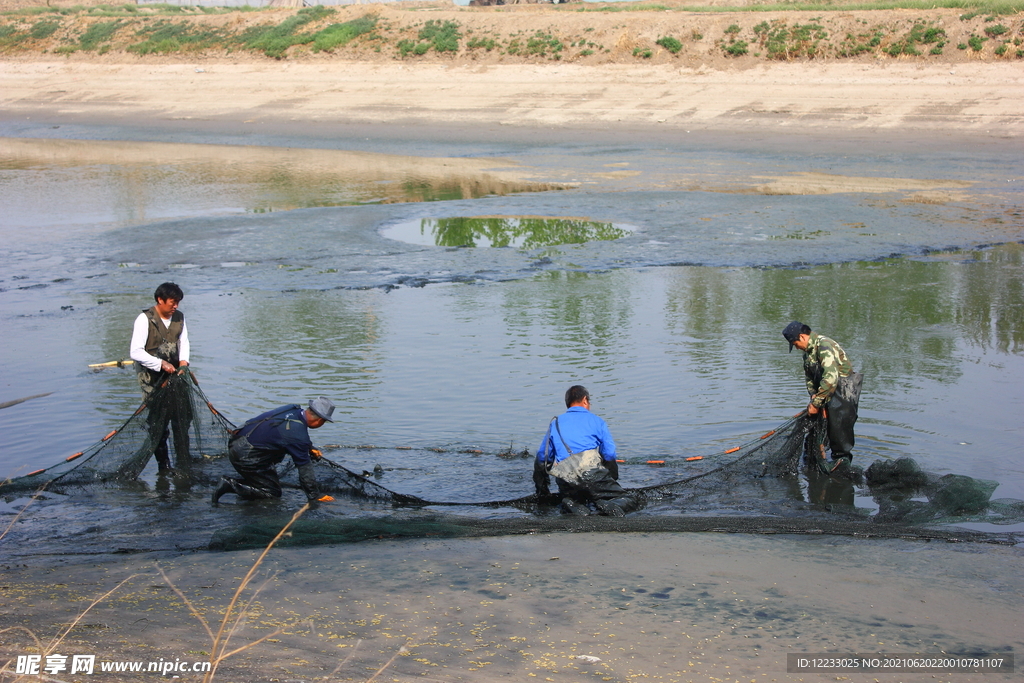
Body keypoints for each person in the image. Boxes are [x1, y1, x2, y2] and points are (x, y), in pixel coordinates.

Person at [533, 385, 637, 516]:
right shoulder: (597, 421)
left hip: (567, 480)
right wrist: (611, 479)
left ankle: (570, 503)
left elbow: (542, 458)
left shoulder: (556, 423)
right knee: (630, 500)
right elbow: (609, 454)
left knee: (574, 499)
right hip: (594, 476)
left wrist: (542, 491)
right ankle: (606, 503)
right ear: (585, 400)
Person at [212, 397, 337, 506]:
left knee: (267, 478)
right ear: (320, 420)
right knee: (272, 492)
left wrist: (310, 447)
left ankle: (248, 491)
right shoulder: (297, 435)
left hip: (238, 441)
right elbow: (305, 470)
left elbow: (289, 435)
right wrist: (315, 496)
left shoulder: (291, 409)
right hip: (246, 456)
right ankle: (229, 484)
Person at [782, 321, 864, 475]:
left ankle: (841, 470)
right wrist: (814, 397)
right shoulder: (807, 353)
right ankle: (815, 469)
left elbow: (831, 378)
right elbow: (810, 378)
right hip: (825, 394)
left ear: (802, 337)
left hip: (843, 392)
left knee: (839, 436)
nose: (797, 347)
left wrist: (816, 403)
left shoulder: (824, 345)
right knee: (815, 434)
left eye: (795, 343)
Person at [130, 282, 192, 475]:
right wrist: (160, 364)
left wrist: (183, 362)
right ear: (160, 300)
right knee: (159, 423)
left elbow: (184, 342)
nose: (176, 306)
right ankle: (163, 466)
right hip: (152, 379)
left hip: (176, 377)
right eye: (173, 302)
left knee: (182, 418)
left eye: (178, 303)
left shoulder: (179, 318)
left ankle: (183, 461)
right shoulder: (144, 319)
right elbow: (135, 352)